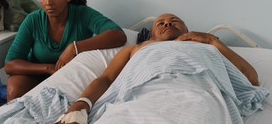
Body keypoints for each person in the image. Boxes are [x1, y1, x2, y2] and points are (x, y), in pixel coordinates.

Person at [55, 13, 260, 124]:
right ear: (152, 35)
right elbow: (106, 79)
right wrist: (81, 104)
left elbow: (250, 78)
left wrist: (212, 41)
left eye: (174, 22)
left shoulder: (204, 46)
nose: (166, 24)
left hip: (197, 97)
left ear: (187, 31)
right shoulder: (139, 48)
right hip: (139, 99)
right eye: (160, 23)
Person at [4, 0, 127, 101]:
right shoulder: (33, 20)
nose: (49, 2)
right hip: (37, 74)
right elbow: (10, 64)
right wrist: (48, 68)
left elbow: (118, 35)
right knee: (14, 90)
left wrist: (74, 47)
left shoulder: (82, 14)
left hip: (71, 77)